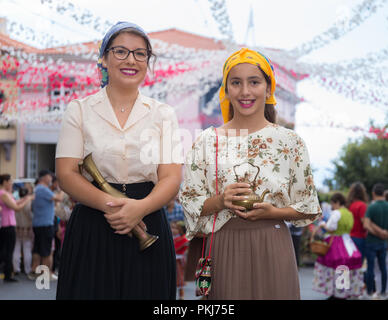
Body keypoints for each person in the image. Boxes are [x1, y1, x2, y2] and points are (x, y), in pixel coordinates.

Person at [179, 48, 322, 300]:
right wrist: (221, 201)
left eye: (254, 82)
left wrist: (274, 212)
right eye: (236, 82)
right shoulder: (206, 141)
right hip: (223, 246)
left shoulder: (289, 141)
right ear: (226, 89)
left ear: (268, 89)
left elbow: (308, 205)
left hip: (273, 243)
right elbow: (190, 200)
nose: (245, 91)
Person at [55, 21, 182, 299]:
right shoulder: (79, 109)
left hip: (148, 222)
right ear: (103, 57)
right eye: (121, 51)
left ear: (148, 62)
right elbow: (66, 174)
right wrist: (113, 207)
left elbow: (172, 177)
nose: (131, 60)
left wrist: (140, 208)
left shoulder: (163, 114)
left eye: (140, 54)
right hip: (93, 222)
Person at [312, 192, 364, 299]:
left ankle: (335, 293)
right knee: (345, 266)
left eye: (333, 203)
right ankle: (343, 292)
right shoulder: (349, 213)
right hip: (348, 242)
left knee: (333, 265)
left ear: (337, 202)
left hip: (335, 241)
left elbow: (331, 227)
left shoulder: (336, 213)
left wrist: (322, 225)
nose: (332, 206)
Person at [29, 170, 63, 281]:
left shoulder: (37, 189)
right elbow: (59, 198)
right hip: (45, 224)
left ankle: (34, 271)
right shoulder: (43, 189)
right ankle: (45, 274)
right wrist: (61, 189)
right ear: (43, 177)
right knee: (47, 251)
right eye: (49, 176)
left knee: (38, 249)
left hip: (38, 223)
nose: (51, 179)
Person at [0, 174, 33, 282]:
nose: (11, 183)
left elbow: (15, 203)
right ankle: (8, 275)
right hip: (7, 225)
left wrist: (24, 199)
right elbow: (16, 208)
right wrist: (27, 200)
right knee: (8, 251)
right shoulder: (3, 194)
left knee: (9, 250)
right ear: (4, 182)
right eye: (10, 181)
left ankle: (8, 274)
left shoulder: (6, 194)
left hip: (9, 224)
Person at [363, 183, 388, 299]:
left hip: (372, 241)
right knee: (383, 268)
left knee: (370, 267)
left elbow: (366, 225)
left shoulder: (371, 207)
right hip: (383, 242)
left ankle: (369, 292)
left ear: (373, 193)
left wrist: (378, 233)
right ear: (384, 193)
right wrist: (384, 234)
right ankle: (383, 291)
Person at [13, 186, 34, 276]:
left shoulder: (15, 202)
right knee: (27, 249)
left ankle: (16, 269)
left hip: (16, 227)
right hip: (27, 228)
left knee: (16, 249)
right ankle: (27, 269)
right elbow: (31, 216)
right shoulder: (29, 203)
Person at [346, 182, 368, 264]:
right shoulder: (362, 205)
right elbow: (364, 223)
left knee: (350, 264)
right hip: (359, 238)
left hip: (348, 238)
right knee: (358, 265)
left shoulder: (349, 205)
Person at [171, 221, 189, 299]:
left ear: (180, 230)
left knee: (179, 278)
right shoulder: (171, 237)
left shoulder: (182, 238)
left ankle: (181, 296)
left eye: (175, 228)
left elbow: (175, 248)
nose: (172, 230)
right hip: (173, 259)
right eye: (171, 228)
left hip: (178, 259)